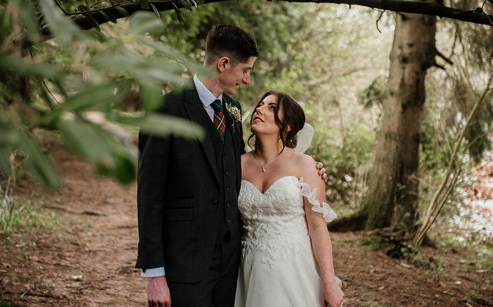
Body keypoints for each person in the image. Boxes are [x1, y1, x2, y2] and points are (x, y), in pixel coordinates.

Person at [136, 25, 327, 307]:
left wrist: (308, 169)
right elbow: (149, 195)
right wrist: (154, 274)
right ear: (223, 64)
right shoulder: (166, 109)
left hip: (232, 267)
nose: (248, 79)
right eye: (245, 70)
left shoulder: (233, 111)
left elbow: (239, 169)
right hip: (185, 263)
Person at [234, 91, 344, 307]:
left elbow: (317, 227)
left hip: (295, 268)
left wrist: (329, 282)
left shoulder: (306, 165)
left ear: (288, 126)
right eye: (260, 104)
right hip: (246, 267)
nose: (259, 109)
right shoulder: (236, 165)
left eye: (272, 107)